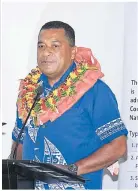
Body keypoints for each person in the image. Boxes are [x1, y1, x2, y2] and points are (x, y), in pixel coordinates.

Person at [11, 21, 128, 190]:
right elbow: (20, 142)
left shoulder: (94, 91)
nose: (46, 52)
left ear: (73, 52)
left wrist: (71, 170)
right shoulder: (29, 91)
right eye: (41, 46)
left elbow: (119, 147)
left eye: (55, 45)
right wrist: (17, 180)